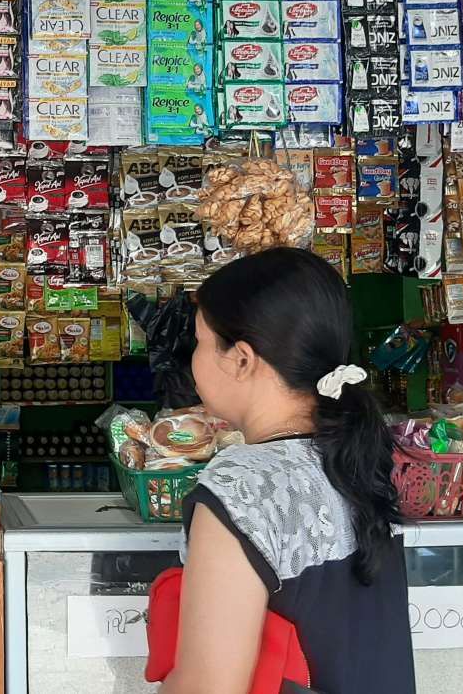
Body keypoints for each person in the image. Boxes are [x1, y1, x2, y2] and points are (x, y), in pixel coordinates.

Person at [159, 248, 415, 694]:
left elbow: (209, 687)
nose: (192, 360)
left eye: (200, 342)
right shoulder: (359, 454)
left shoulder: (243, 483)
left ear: (241, 359)